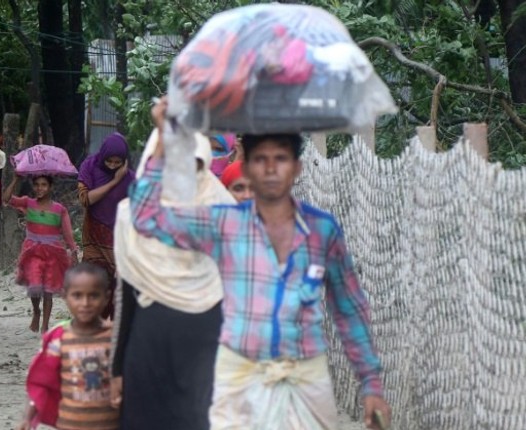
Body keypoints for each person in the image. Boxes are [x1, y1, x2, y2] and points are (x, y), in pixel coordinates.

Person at [129, 98, 391, 430]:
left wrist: (371, 384)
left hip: (306, 379)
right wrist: (165, 135)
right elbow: (146, 217)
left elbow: (349, 310)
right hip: (239, 375)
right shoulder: (224, 224)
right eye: (260, 160)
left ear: (297, 167)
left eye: (280, 159)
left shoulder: (323, 231)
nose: (270, 169)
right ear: (248, 167)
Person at [110, 131, 235, 430]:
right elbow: (124, 299)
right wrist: (116, 369)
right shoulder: (131, 219)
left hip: (207, 351)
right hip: (147, 349)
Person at [16, 263, 119, 430]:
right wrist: (27, 418)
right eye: (77, 296)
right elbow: (41, 382)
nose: (85, 303)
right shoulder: (58, 339)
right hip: (69, 423)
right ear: (65, 296)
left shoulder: (115, 337)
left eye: (94, 296)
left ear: (107, 297)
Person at [4, 174, 78, 334]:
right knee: (35, 285)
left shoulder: (60, 209)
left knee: (49, 290)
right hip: (33, 251)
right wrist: (16, 179)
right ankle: (36, 311)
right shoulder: (28, 203)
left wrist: (73, 250)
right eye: (36, 185)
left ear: (51, 187)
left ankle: (45, 325)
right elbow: (6, 199)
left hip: (53, 253)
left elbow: (67, 233)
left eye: (44, 185)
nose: (40, 188)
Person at [77, 133, 135, 318]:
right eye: (109, 161)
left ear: (124, 161)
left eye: (117, 162)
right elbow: (85, 199)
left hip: (118, 241)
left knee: (117, 291)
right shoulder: (89, 166)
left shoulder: (132, 180)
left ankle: (111, 335)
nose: (112, 165)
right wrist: (115, 181)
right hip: (94, 237)